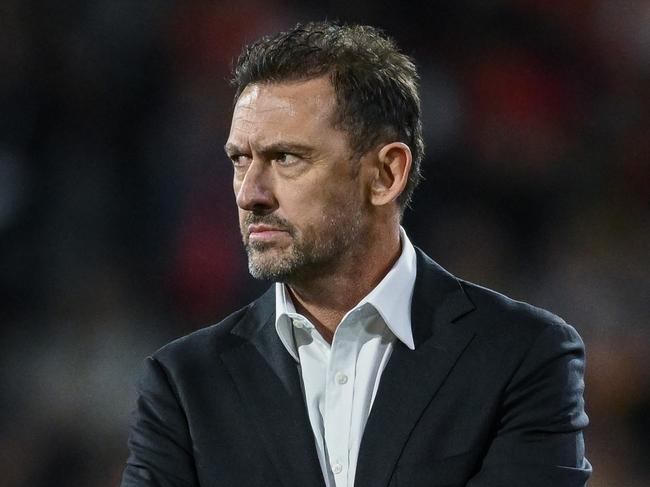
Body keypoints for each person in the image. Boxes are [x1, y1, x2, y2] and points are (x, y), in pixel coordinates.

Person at [121, 21, 591, 487]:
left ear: (386, 174)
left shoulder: (523, 356)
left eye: (286, 158)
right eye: (240, 160)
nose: (250, 193)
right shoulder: (183, 385)